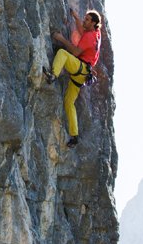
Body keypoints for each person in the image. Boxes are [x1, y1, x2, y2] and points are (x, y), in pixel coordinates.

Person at [44, 8, 102, 147]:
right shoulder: (95, 34)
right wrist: (76, 17)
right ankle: (74, 136)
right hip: (83, 75)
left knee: (63, 54)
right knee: (69, 102)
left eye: (87, 19)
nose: (83, 20)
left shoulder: (89, 36)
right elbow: (83, 32)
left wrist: (61, 38)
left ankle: (53, 75)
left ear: (93, 23)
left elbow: (75, 52)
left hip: (80, 67)